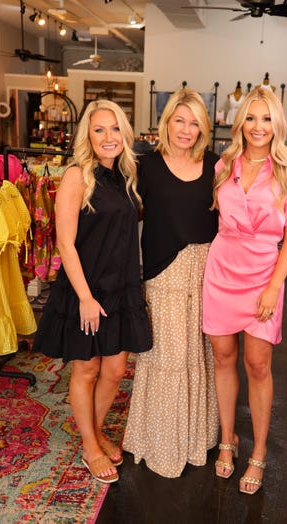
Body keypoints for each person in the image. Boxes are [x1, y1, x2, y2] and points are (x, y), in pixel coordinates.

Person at [32, 100, 153, 484]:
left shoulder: (125, 175)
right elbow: (65, 243)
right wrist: (85, 297)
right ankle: (90, 445)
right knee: (87, 368)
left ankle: (96, 431)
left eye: (115, 129)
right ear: (87, 134)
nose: (108, 137)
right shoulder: (76, 176)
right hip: (87, 288)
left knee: (116, 369)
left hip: (121, 287)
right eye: (99, 129)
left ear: (125, 134)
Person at [203, 87, 287, 494]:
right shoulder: (224, 164)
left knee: (257, 364)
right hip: (221, 271)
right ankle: (227, 441)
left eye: (266, 119)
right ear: (240, 123)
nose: (258, 127)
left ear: (277, 124)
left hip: (263, 275)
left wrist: (273, 289)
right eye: (251, 118)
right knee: (222, 357)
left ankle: (259, 453)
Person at [123, 88, 220, 478]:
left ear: (204, 127)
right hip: (164, 272)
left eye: (194, 121)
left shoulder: (216, 165)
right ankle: (161, 440)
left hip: (206, 273)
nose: (186, 129)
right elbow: (123, 212)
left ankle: (197, 435)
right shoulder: (145, 166)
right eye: (179, 120)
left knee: (199, 355)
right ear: (166, 123)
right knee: (167, 359)